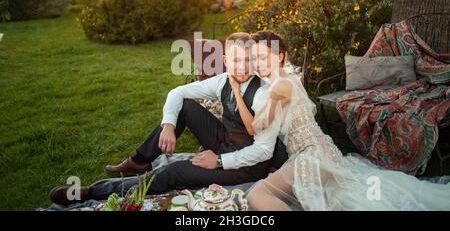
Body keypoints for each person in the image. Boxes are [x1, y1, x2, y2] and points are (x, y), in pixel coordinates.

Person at [49, 32, 288, 206]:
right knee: (184, 106)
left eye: (247, 60)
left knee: (172, 172)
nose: (242, 66)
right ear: (225, 61)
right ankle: (140, 160)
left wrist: (218, 162)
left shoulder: (264, 93)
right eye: (235, 60)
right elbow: (178, 93)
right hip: (226, 139)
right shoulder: (224, 79)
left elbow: (263, 153)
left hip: (247, 165)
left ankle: (93, 191)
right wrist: (168, 126)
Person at [244, 30, 450, 210]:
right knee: (335, 202)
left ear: (279, 56)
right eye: (254, 58)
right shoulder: (286, 82)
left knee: (256, 196)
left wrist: (237, 89)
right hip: (323, 152)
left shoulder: (281, 86)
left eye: (262, 57)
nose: (257, 64)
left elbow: (258, 126)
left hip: (312, 155)